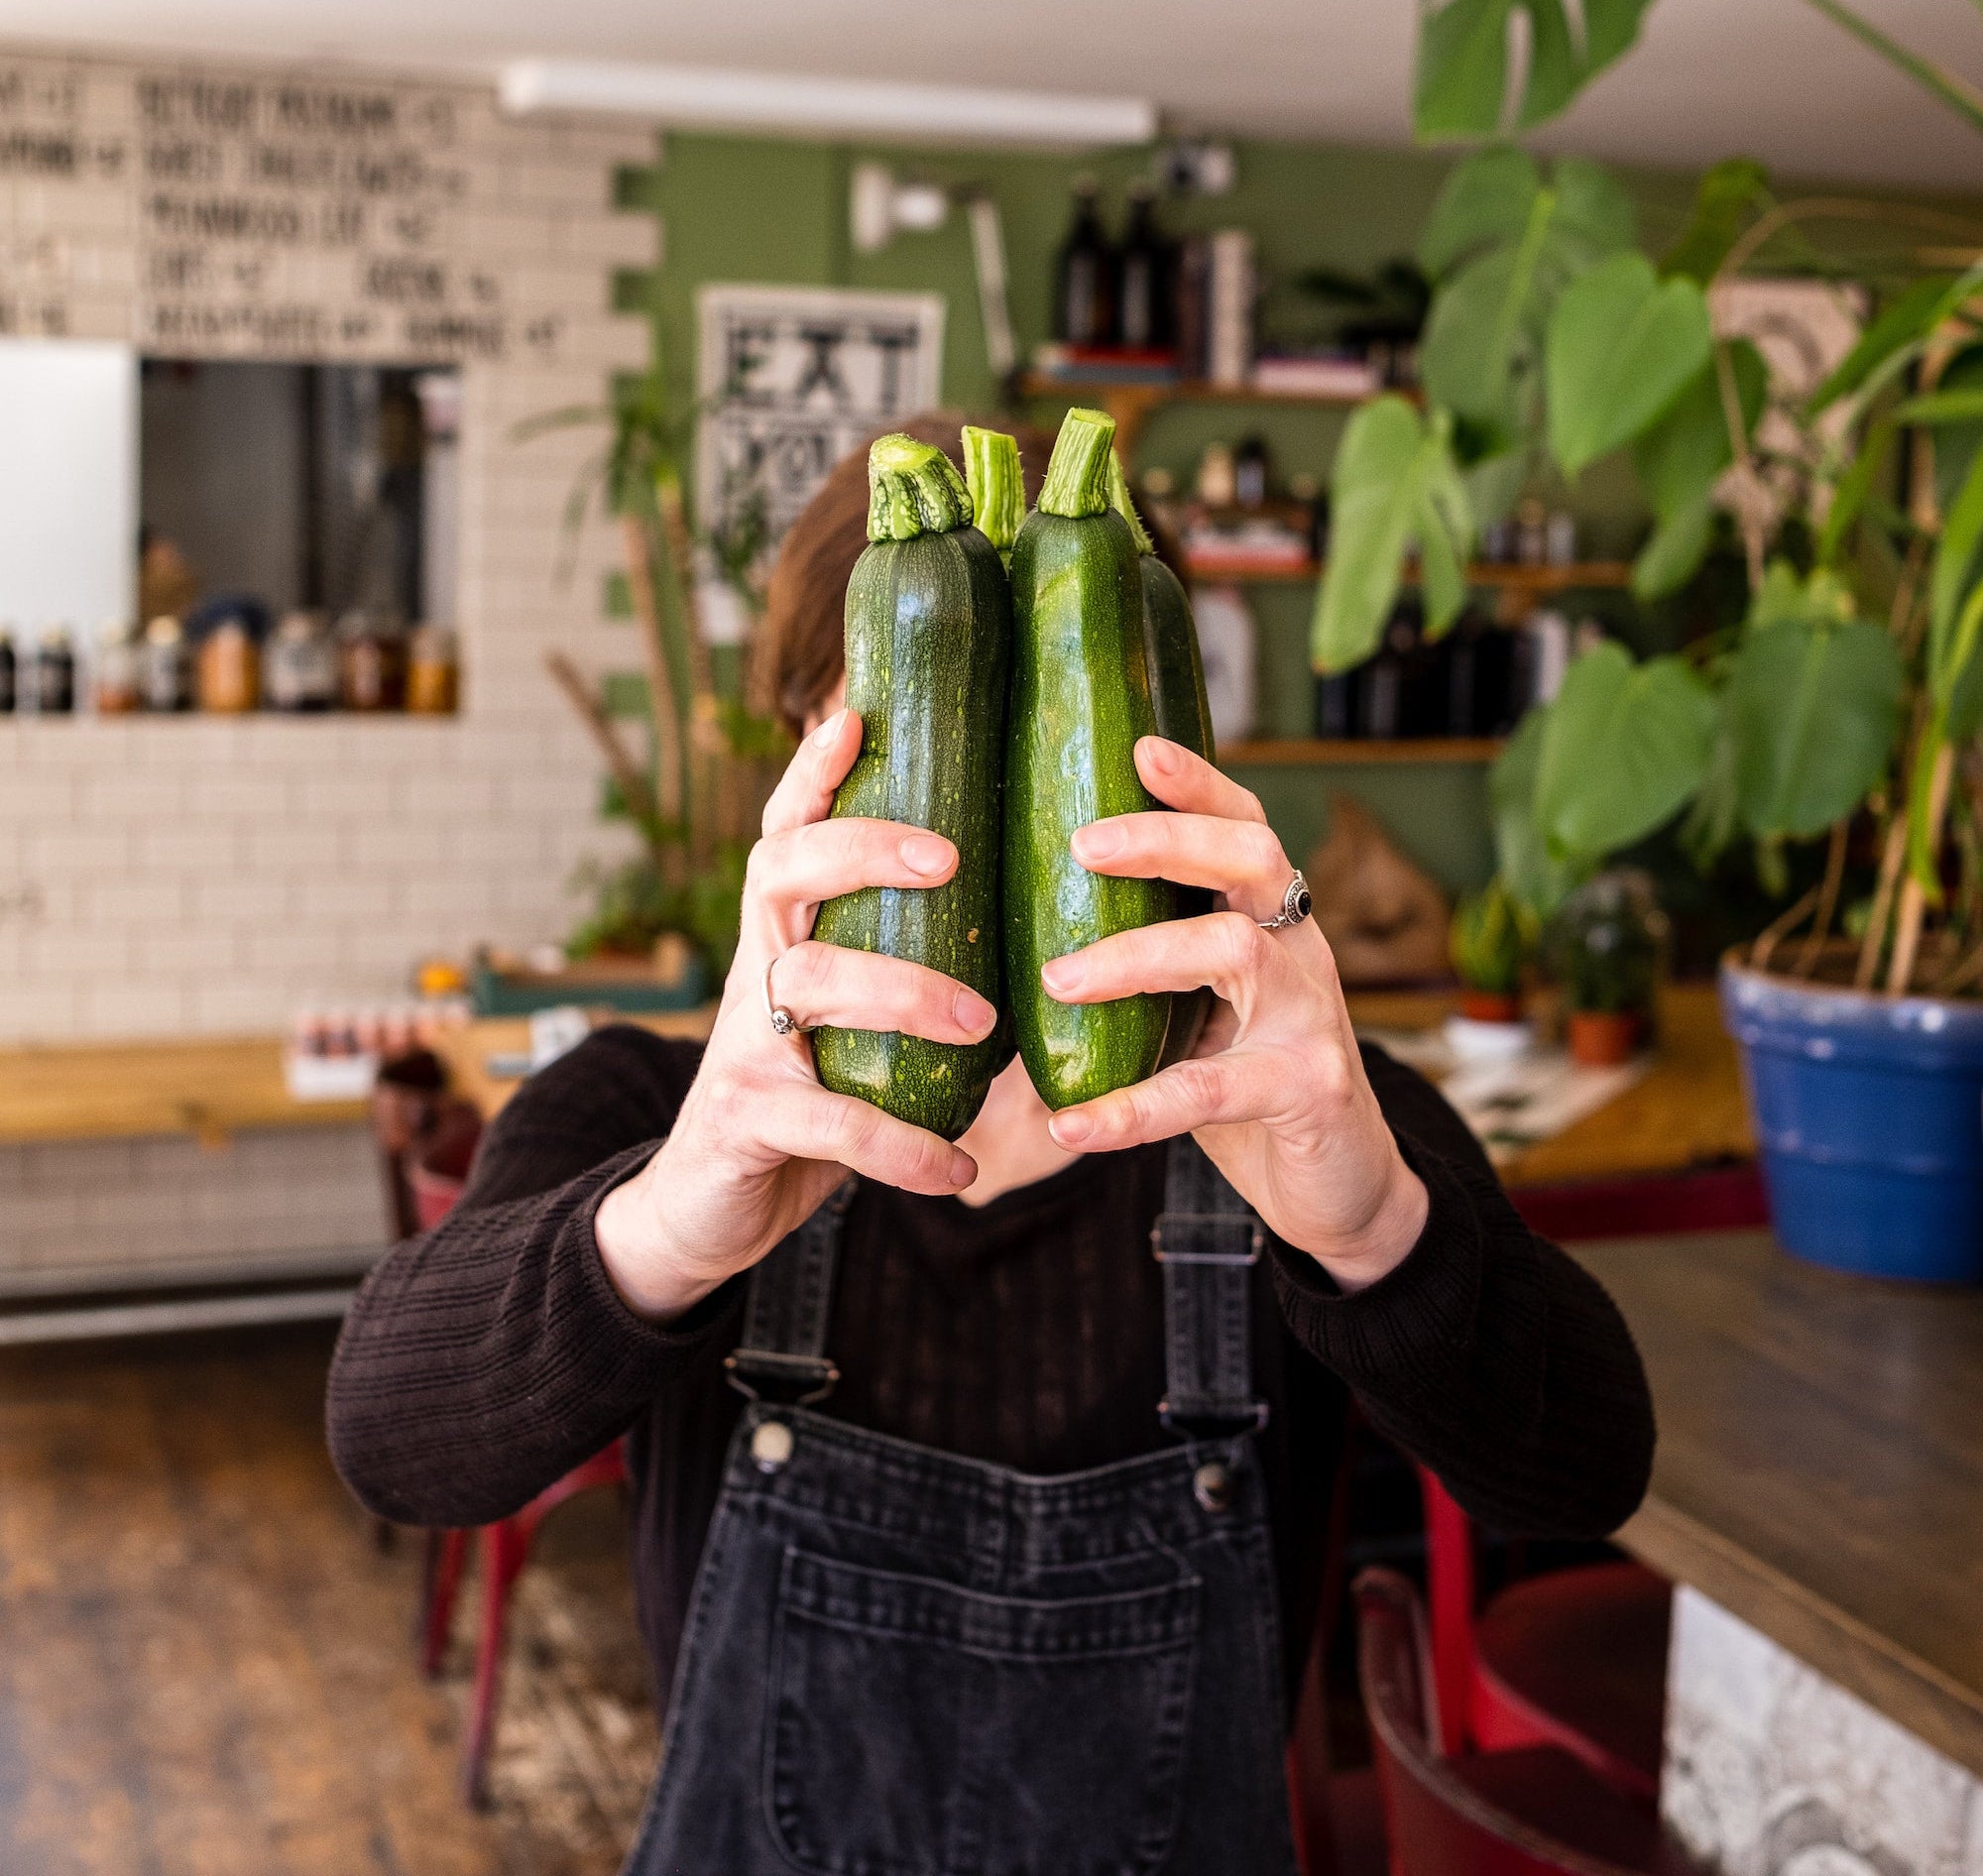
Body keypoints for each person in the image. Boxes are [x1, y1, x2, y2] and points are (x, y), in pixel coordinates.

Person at [328, 413, 1654, 1875]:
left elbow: (1589, 1475)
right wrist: (668, 1220)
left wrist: (1376, 1234)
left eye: (1053, 732)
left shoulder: (1315, 1108)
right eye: (951, 737)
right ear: (801, 756)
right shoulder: (651, 1111)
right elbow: (389, 1442)